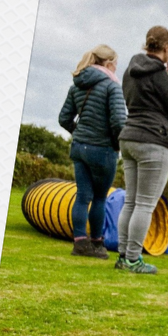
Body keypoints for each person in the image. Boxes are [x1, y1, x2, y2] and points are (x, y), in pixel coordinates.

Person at [114, 25, 168, 276]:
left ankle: (123, 255)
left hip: (129, 136)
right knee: (145, 204)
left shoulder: (130, 70)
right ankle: (133, 260)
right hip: (153, 141)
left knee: (131, 201)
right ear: (166, 48)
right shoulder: (160, 73)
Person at [58, 45, 128, 258]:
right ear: (108, 64)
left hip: (79, 147)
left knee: (82, 197)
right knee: (99, 198)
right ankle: (97, 243)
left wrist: (79, 133)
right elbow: (118, 121)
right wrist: (118, 145)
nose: (116, 68)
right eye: (116, 64)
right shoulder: (112, 86)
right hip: (103, 150)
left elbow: (63, 119)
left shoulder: (77, 85)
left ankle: (80, 243)